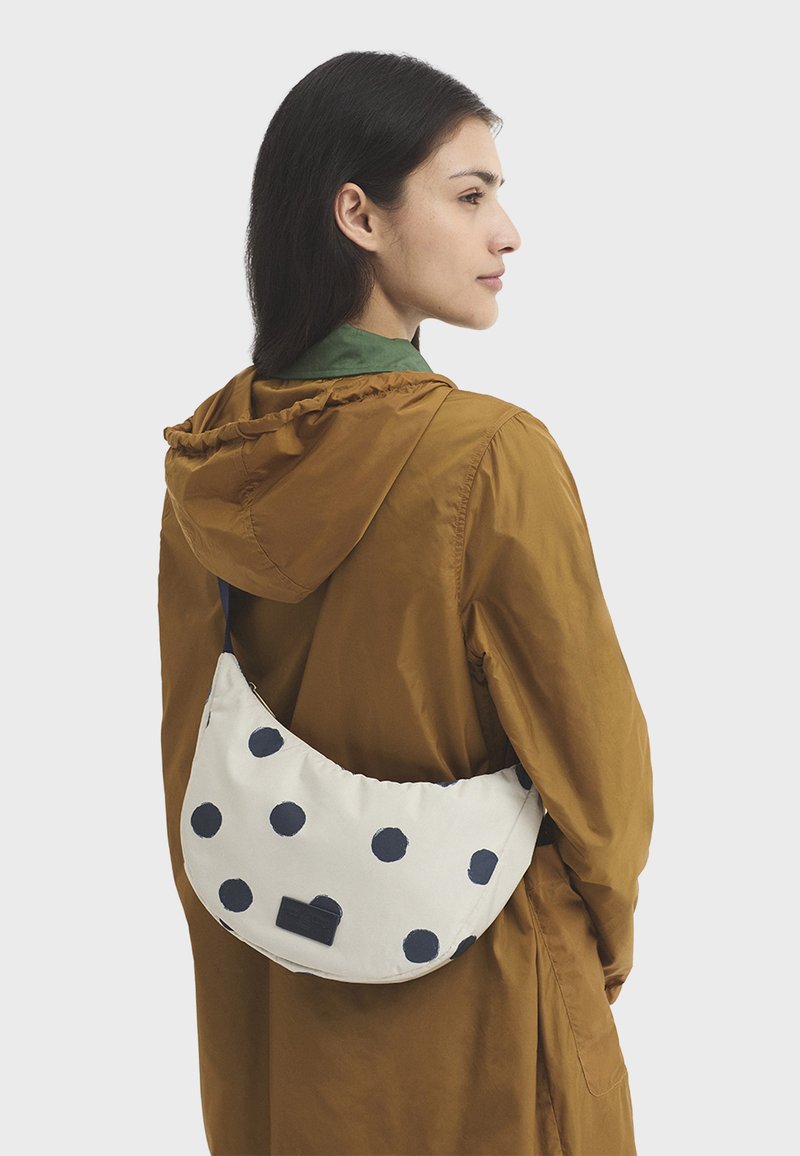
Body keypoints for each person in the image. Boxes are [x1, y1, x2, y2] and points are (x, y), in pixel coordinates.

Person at [159, 49, 654, 1156]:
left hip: (285, 1026)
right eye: (470, 196)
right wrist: (597, 952)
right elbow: (598, 777)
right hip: (497, 1019)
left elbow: (189, 765)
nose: (506, 234)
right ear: (359, 216)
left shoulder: (213, 469)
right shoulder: (488, 457)